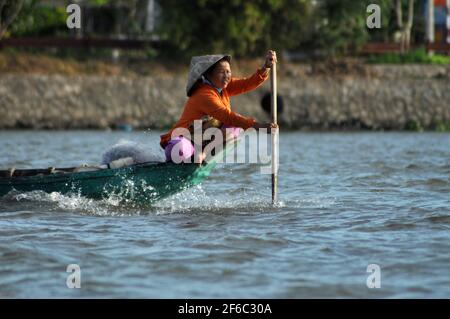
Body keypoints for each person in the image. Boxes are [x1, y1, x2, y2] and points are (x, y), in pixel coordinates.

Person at [160, 50, 278, 163]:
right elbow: (227, 116)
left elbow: (248, 83)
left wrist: (266, 67)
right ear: (208, 75)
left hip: (202, 142)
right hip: (184, 139)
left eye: (228, 72)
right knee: (179, 150)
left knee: (235, 129)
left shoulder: (224, 87)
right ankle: (191, 155)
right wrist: (258, 126)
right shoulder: (204, 94)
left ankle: (203, 154)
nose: (227, 76)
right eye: (222, 72)